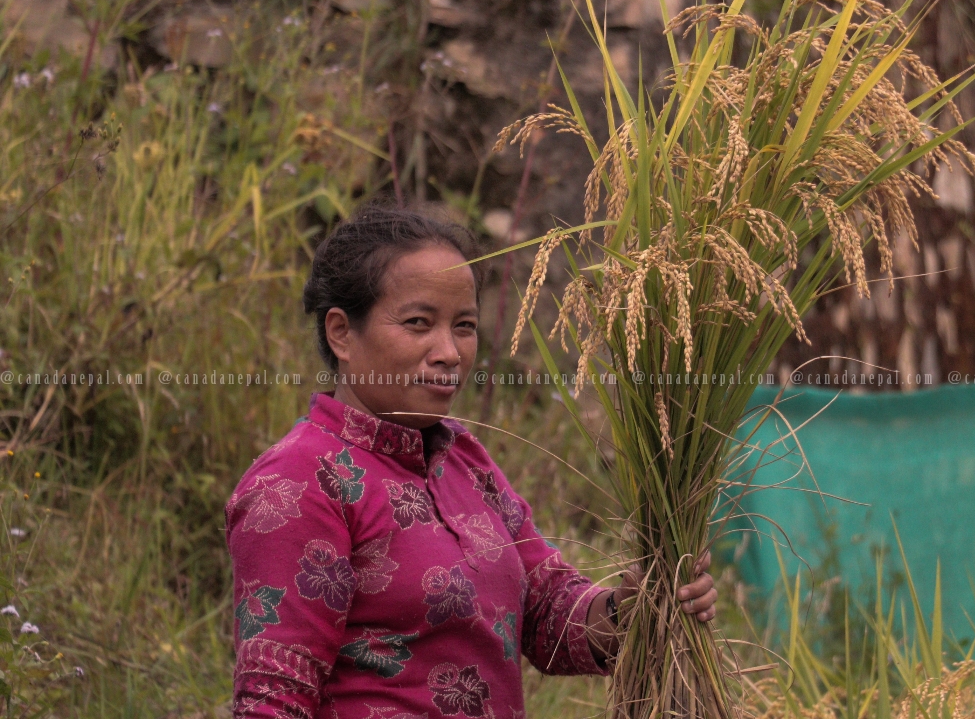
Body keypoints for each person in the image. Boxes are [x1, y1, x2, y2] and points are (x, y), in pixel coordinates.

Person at [225, 204, 717, 718]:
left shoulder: (463, 459)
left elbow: (544, 612)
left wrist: (637, 609)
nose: (450, 351)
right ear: (341, 333)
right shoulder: (297, 481)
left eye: (464, 325)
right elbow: (274, 700)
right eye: (418, 323)